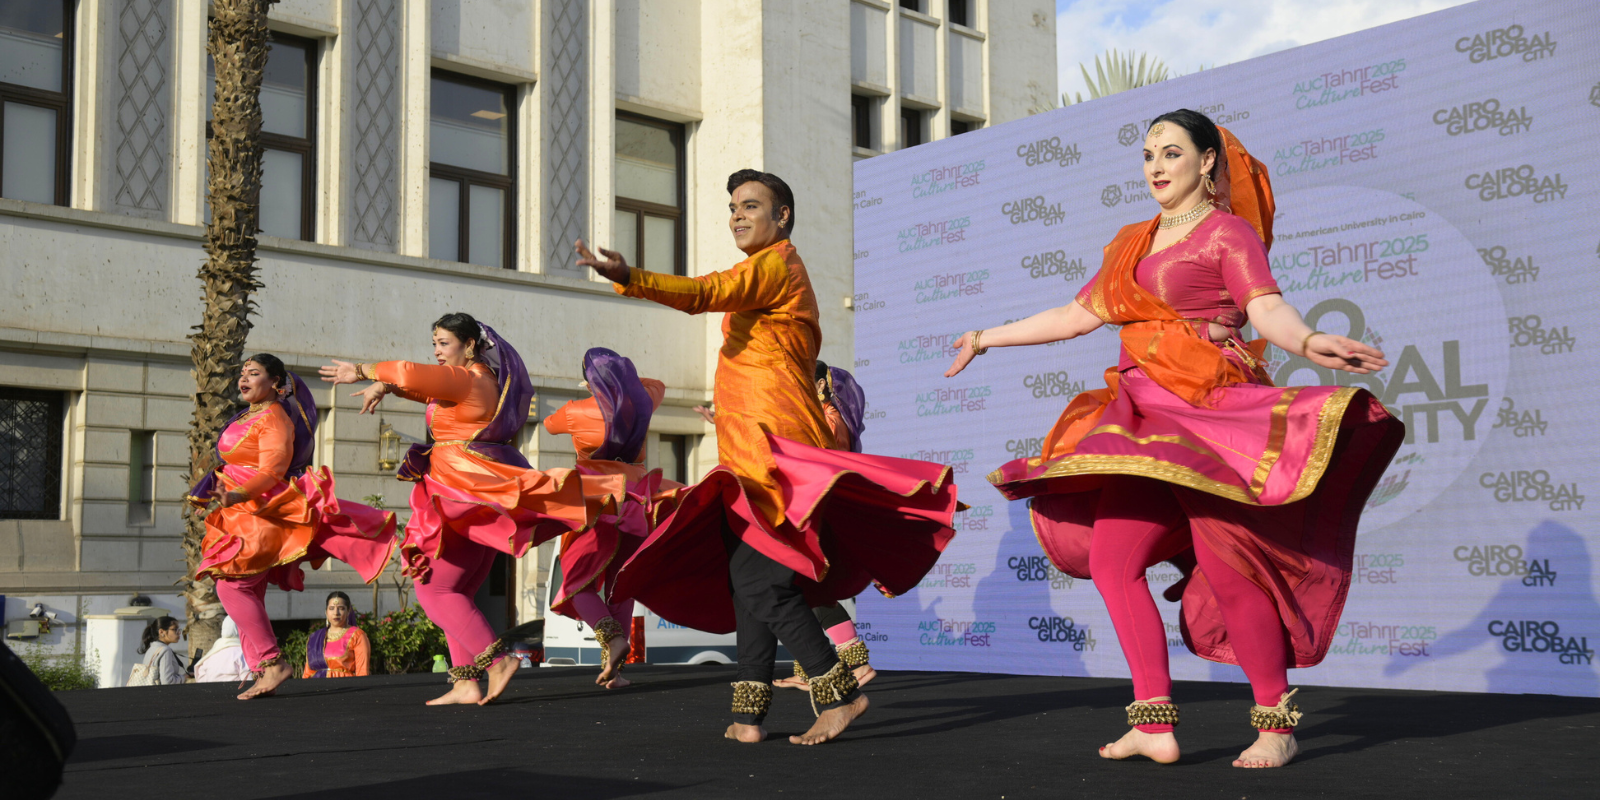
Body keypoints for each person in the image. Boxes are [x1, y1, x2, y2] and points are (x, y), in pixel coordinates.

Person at [946, 110, 1404, 768]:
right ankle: (1153, 721)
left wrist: (1307, 341)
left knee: (1230, 570)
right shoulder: (1132, 239)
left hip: (1205, 418)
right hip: (1140, 422)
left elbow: (1264, 309)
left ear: (1207, 161)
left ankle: (1275, 723)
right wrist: (986, 336)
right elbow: (1076, 315)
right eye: (1148, 155)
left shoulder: (1227, 233)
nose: (1156, 166)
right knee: (1112, 560)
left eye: (1172, 152)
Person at [577, 169, 960, 745]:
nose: (736, 214)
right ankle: (749, 714)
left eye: (750, 205)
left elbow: (707, 292)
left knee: (762, 585)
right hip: (749, 459)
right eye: (732, 205)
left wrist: (632, 277)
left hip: (779, 458)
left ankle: (841, 692)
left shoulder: (776, 265)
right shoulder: (767, 276)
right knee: (744, 582)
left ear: (782, 217)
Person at [319, 313, 598, 706]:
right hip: (468, 497)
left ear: (469, 346)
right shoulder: (476, 381)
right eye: (433, 343)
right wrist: (385, 386)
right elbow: (419, 389)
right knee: (458, 590)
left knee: (434, 589)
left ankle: (498, 661)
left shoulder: (467, 377)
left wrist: (363, 370)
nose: (436, 351)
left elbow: (407, 372)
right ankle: (466, 682)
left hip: (459, 496)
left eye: (443, 343)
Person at [189, 355, 398, 700]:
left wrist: (236, 494)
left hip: (262, 513)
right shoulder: (249, 414)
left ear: (276, 383)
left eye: (253, 373)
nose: (243, 378)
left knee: (231, 585)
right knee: (248, 589)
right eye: (242, 373)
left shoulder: (274, 419)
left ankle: (272, 663)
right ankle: (262, 670)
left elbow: (271, 473)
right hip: (240, 513)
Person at [542, 347, 683, 689]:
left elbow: (547, 425)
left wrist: (593, 389)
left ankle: (612, 640)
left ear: (590, 379)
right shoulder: (643, 403)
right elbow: (657, 384)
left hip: (596, 502)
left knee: (577, 584)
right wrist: (625, 383)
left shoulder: (577, 412)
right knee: (620, 585)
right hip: (637, 500)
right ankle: (615, 672)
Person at [774, 361, 875, 691]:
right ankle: (811, 669)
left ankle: (857, 663)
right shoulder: (816, 414)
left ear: (819, 385)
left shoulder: (831, 418)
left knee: (808, 588)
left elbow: (817, 449)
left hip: (818, 510)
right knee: (800, 590)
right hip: (805, 508)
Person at [303, 591, 371, 678]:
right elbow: (307, 673)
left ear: (348, 611)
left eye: (341, 608)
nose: (336, 613)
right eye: (331, 608)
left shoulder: (357, 635)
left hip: (346, 687)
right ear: (326, 611)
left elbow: (363, 673)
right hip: (317, 688)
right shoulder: (315, 638)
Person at [193, 617, 250, 683]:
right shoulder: (242, 653)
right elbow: (248, 681)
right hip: (235, 692)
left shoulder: (210, 655)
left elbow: (201, 681)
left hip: (211, 692)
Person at [136, 617, 185, 685]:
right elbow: (167, 682)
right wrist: (184, 677)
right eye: (175, 629)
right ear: (161, 632)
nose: (179, 633)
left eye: (179, 629)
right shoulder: (165, 650)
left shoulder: (152, 647)